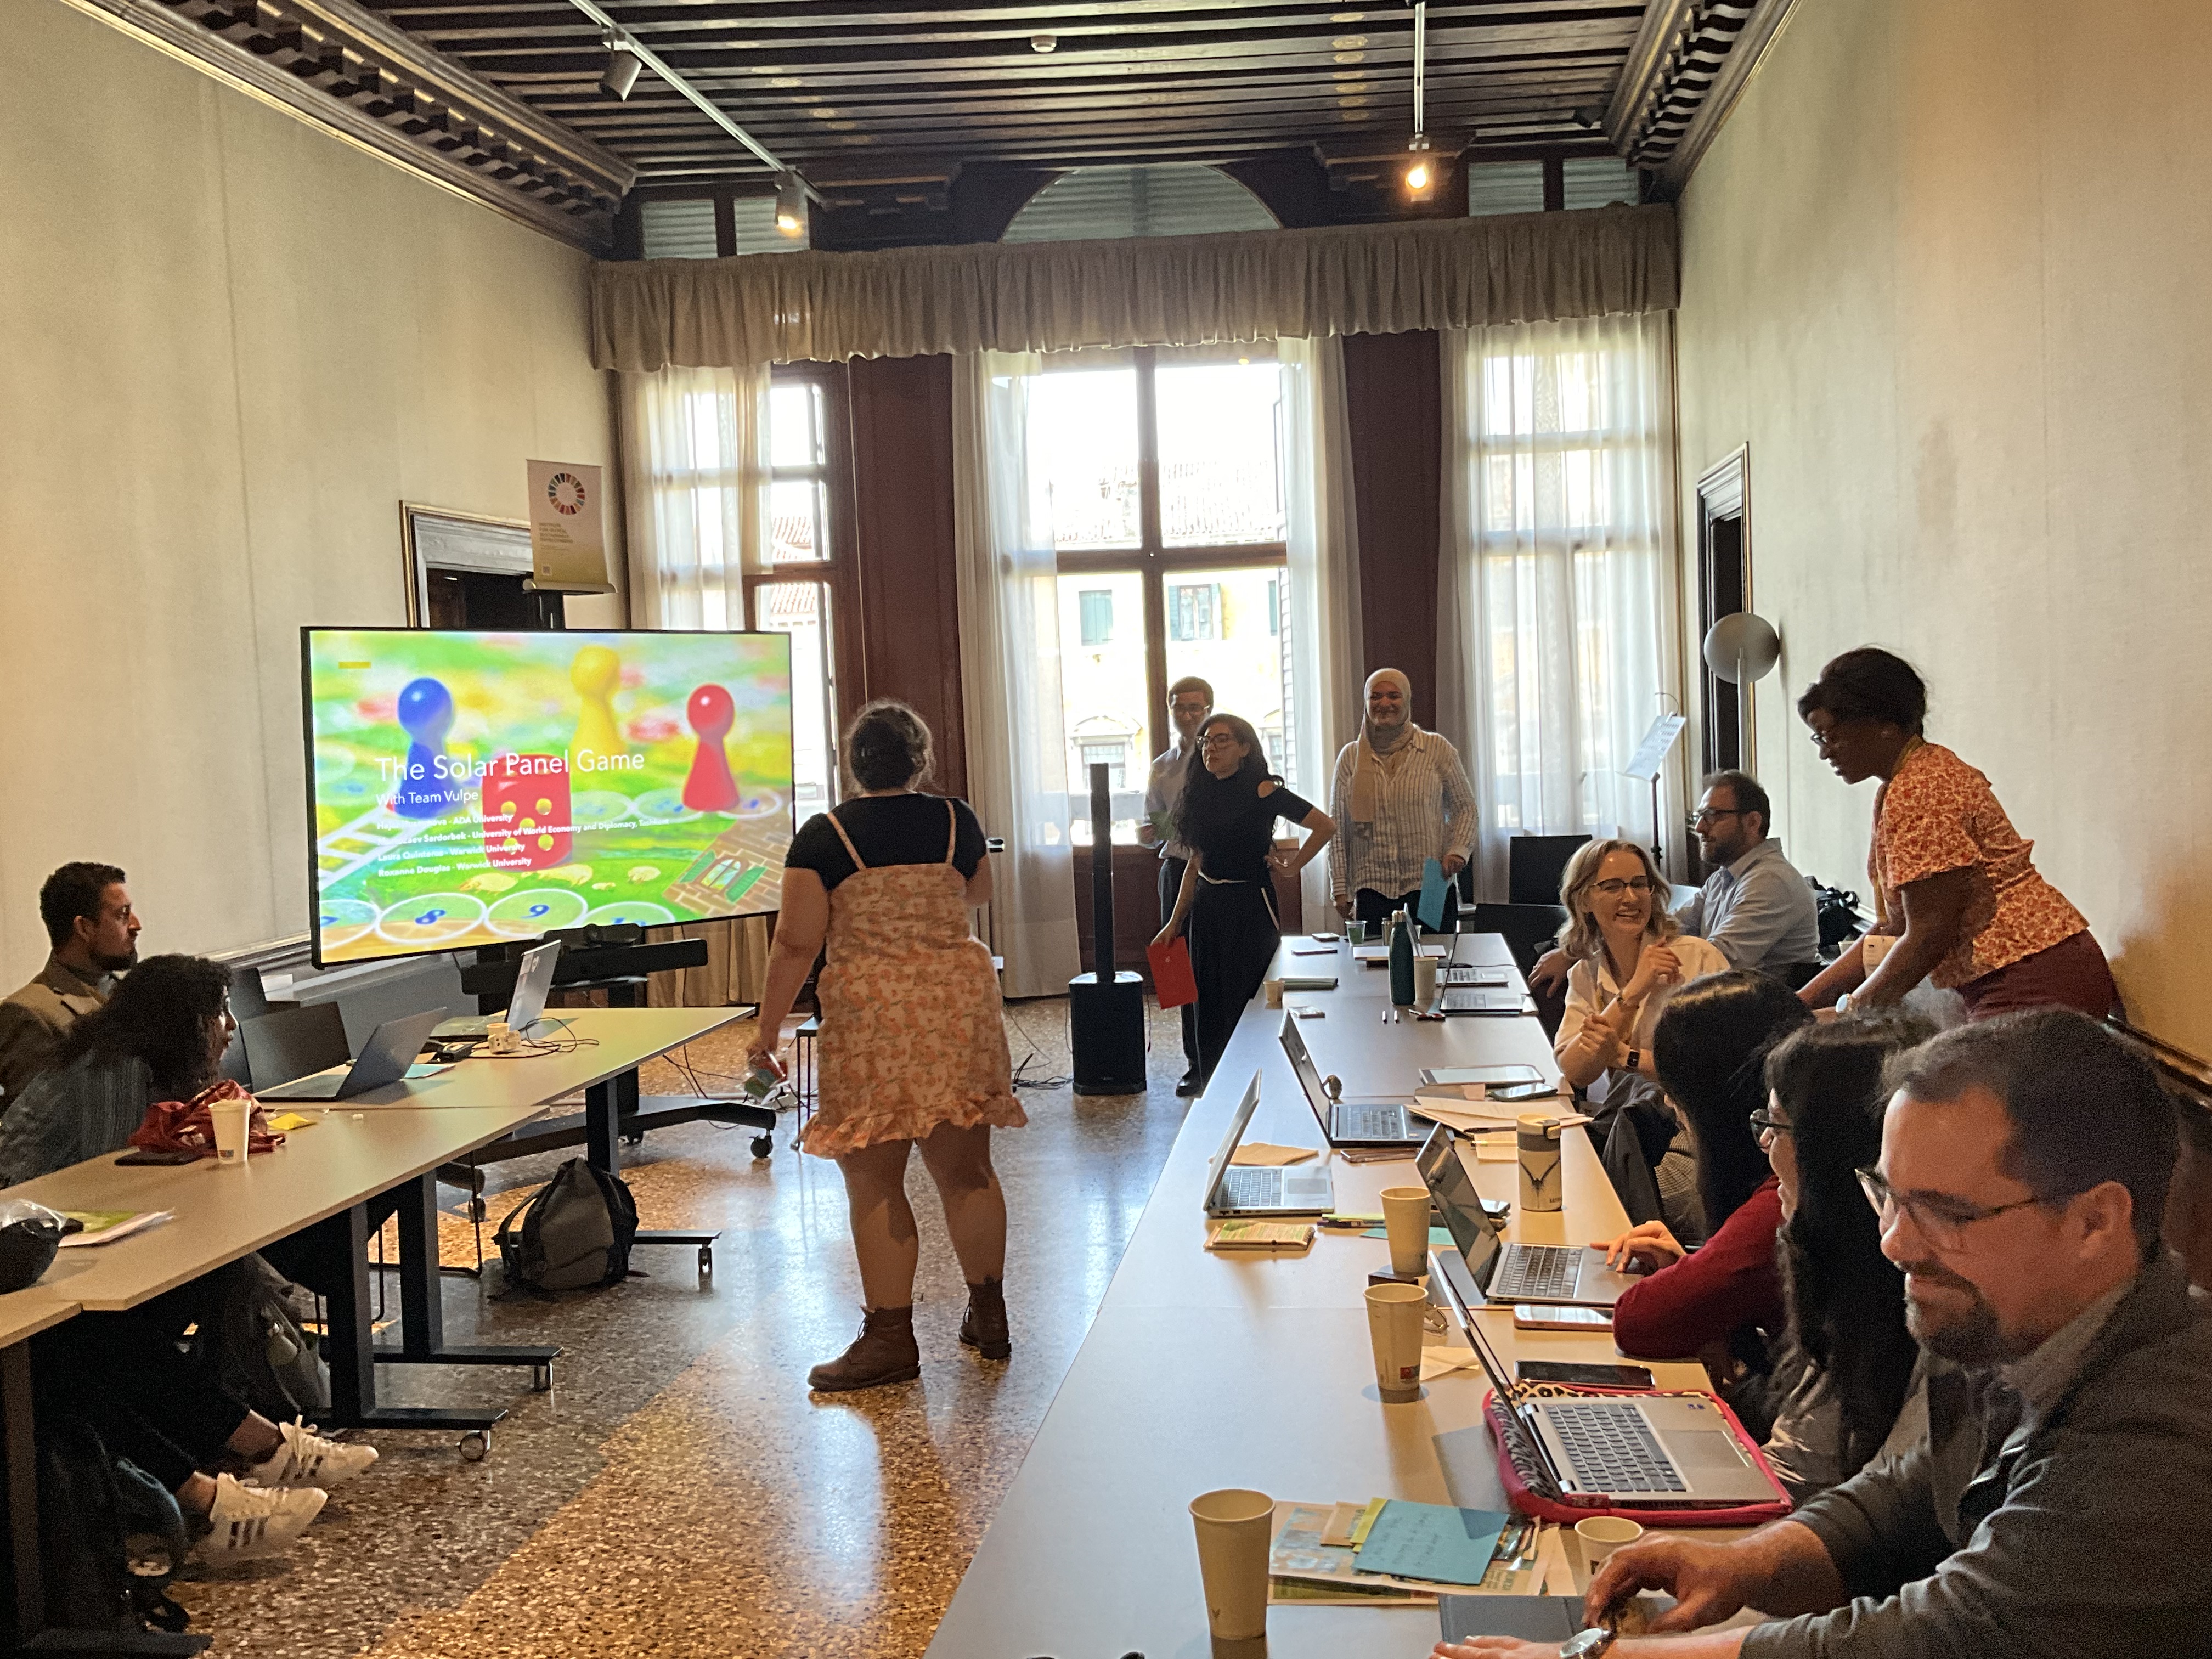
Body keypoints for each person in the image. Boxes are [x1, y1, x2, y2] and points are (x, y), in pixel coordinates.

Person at [1437, 1010, 2212, 1659]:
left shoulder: (2166, 1440)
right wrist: (1744, 1565)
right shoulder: (2016, 1322)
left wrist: (1596, 1658)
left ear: (2095, 1222)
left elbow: (1951, 1633)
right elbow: (1914, 1493)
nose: (1895, 1244)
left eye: (1946, 1212)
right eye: (1888, 1196)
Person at [752, 701, 1022, 1393]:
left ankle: (890, 1338)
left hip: (873, 1015)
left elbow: (796, 941)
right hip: (957, 1006)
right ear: (920, 761)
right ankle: (989, 1317)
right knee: (968, 1169)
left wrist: (767, 1029)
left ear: (853, 765)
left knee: (874, 1175)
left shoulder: (825, 835)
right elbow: (976, 894)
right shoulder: (957, 819)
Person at [1796, 647, 2118, 1020]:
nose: (1825, 753)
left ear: (1885, 723)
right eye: (1819, 739)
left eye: (1831, 736)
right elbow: (1894, 926)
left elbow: (1930, 933)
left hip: (2031, 974)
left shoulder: (1922, 787)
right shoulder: (1906, 781)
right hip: (2023, 971)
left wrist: (1849, 1013)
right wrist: (1801, 1003)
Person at [1756, 1017, 1933, 1503]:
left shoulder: (1916, 1295)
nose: (1765, 1143)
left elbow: (1805, 1478)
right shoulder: (1835, 1259)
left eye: (1776, 1124)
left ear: (1827, 1149)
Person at [1598, 973, 1810, 1373]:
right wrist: (1692, 1272)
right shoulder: (1790, 1184)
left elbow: (1637, 1321)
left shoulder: (1779, 1202)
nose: (1667, 1102)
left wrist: (1696, 1283)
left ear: (1715, 1106)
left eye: (1675, 1091)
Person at [1155, 714, 1334, 1089]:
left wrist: (1293, 867)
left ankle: (1261, 1081)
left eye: (1222, 740)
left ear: (1245, 748)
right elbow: (1195, 862)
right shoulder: (1199, 793)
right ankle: (1213, 1084)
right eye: (1206, 741)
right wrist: (1174, 922)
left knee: (1250, 996)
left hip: (1250, 904)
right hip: (1207, 905)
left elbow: (1325, 825)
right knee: (1206, 1000)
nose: (1211, 748)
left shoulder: (1263, 790)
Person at [1532, 774, 1819, 996]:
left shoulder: (1771, 881)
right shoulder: (1725, 876)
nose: (1700, 828)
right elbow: (1667, 927)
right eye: (1699, 817)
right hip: (1717, 1004)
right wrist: (1575, 951)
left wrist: (1593, 957)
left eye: (1712, 816)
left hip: (1754, 1022)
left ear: (1753, 822)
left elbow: (1714, 963)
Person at [0, 953, 228, 1187]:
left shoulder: (162, 1063)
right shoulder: (116, 1067)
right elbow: (111, 1172)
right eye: (221, 1011)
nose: (232, 1024)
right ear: (184, 1022)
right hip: (21, 1196)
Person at [1552, 839, 1730, 1095]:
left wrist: (1624, 1056)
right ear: (1583, 901)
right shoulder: (1585, 972)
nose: (1631, 898)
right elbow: (1576, 1073)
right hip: (1617, 1112)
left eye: (1639, 884)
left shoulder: (1697, 958)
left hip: (1682, 1114)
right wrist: (1634, 991)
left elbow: (1720, 1065)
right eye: (1612, 887)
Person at [1326, 668, 1476, 931]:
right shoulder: (1350, 758)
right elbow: (1337, 827)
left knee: (1436, 955)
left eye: (1393, 696)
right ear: (1366, 702)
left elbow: (1465, 808)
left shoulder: (1436, 749)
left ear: (1406, 700)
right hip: (1371, 886)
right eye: (1376, 697)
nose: (1384, 703)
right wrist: (1340, 888)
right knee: (1376, 957)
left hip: (1432, 882)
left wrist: (1458, 851)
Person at [0, 860, 141, 1109]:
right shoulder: (28, 1013)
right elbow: (38, 1123)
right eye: (122, 914)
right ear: (84, 928)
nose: (136, 925)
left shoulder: (133, 991)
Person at [1142, 676, 1212, 1096]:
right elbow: (1156, 826)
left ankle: (1222, 1056)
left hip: (1216, 871)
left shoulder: (1220, 757)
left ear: (1208, 710)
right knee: (1176, 966)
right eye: (1179, 707)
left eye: (1194, 708)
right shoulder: (1162, 766)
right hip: (1175, 866)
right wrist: (1149, 833)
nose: (1186, 715)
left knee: (1213, 965)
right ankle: (1194, 1064)